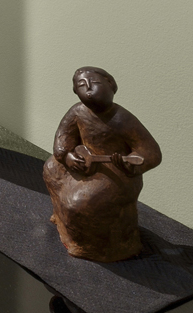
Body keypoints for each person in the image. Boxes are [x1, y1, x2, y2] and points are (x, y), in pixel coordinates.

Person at [43, 67, 162, 261]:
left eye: (95, 82)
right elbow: (62, 140)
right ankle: (61, 220)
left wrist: (130, 165)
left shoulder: (122, 118)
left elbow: (151, 152)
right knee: (50, 167)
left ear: (111, 85)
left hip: (118, 174)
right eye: (81, 85)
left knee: (79, 202)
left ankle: (89, 245)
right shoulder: (77, 112)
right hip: (85, 163)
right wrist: (68, 157)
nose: (88, 88)